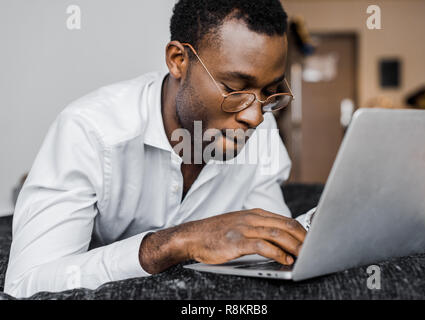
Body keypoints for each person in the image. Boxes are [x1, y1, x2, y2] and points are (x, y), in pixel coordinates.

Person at [5, 0, 313, 298]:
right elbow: (26, 283)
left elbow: (269, 241)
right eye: (234, 89)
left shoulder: (262, 131)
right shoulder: (89, 131)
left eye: (269, 93)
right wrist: (175, 242)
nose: (255, 116)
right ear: (178, 60)